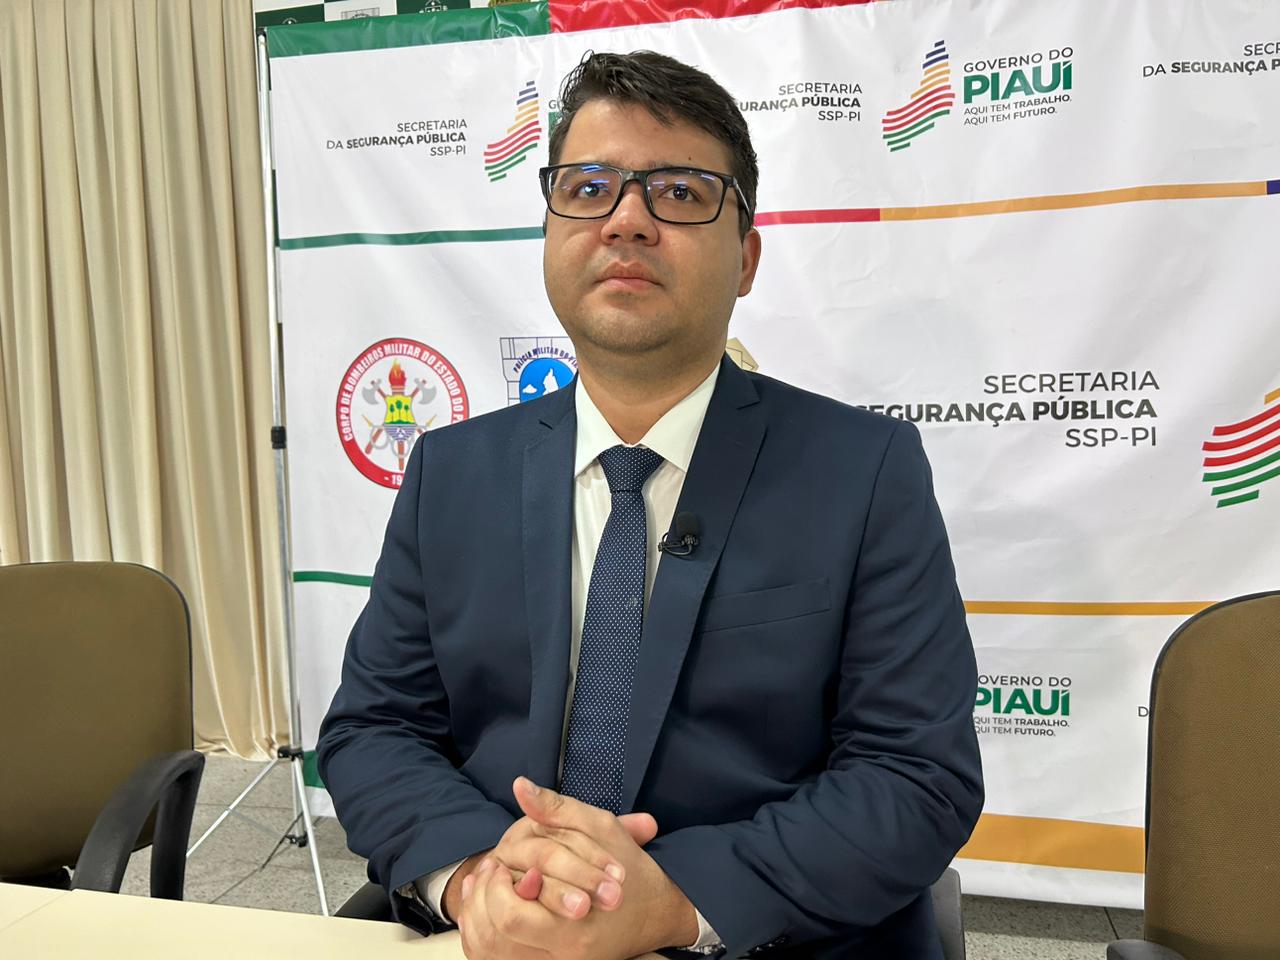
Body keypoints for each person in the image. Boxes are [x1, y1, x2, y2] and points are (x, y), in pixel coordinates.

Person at [317, 50, 983, 960]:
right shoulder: (450, 471)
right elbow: (375, 729)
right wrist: (476, 878)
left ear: (746, 258)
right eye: (589, 188)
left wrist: (671, 902)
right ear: (549, 232)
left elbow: (915, 776)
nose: (626, 219)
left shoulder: (865, 472)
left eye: (678, 193)